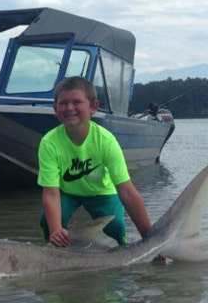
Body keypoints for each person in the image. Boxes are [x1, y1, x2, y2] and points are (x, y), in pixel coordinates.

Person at [37, 76, 153, 247]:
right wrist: (56, 232)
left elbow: (127, 192)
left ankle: (120, 263)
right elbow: (50, 193)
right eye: (63, 103)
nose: (69, 108)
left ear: (94, 107)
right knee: (49, 222)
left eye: (77, 102)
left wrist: (150, 238)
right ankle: (53, 255)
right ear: (55, 109)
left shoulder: (106, 140)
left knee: (116, 227)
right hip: (67, 192)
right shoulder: (49, 142)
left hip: (101, 192)